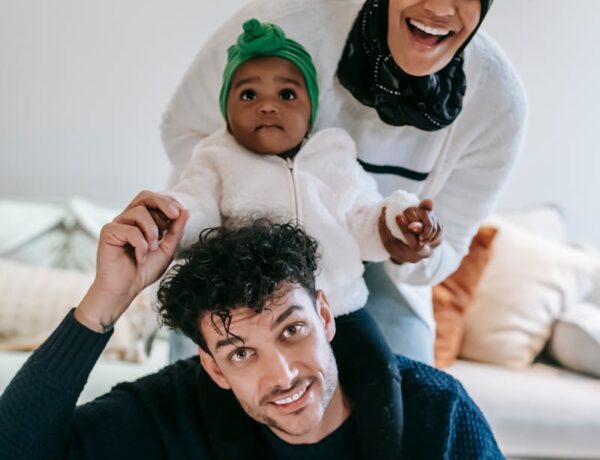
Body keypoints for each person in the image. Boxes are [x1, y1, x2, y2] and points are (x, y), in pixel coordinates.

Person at [161, 0, 528, 364]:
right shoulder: (283, 28)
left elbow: (445, 247)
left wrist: (408, 245)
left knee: (401, 383)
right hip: (234, 257)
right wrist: (241, 200)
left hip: (362, 271)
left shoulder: (496, 102)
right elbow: (184, 130)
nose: (439, 7)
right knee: (203, 377)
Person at [0, 196, 503, 459]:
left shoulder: (438, 414)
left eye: (291, 331)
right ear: (214, 369)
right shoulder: (170, 416)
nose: (282, 375)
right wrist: (104, 302)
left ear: (325, 316)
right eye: (241, 353)